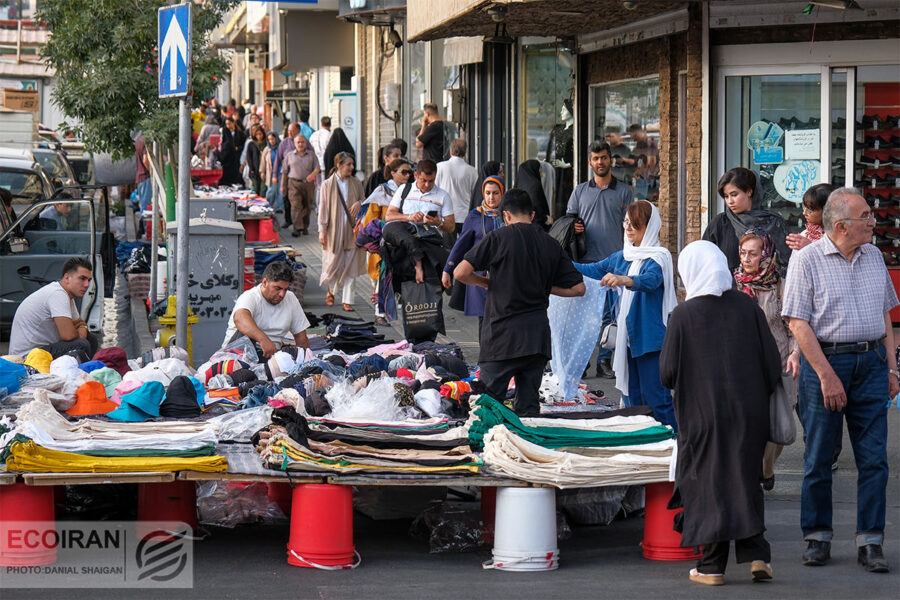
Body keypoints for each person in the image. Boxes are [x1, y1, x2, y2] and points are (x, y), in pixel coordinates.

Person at [782, 188, 896, 573]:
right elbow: (797, 322)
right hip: (824, 364)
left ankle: (871, 541)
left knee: (874, 459)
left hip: (872, 363)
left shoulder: (874, 256)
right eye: (867, 215)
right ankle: (817, 536)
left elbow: (885, 316)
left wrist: (893, 368)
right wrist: (827, 376)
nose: (873, 220)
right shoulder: (807, 260)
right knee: (818, 457)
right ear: (843, 226)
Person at [660, 240, 780, 586]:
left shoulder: (683, 315)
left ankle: (712, 567)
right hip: (749, 412)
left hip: (703, 414)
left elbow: (667, 372)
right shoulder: (747, 307)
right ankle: (758, 555)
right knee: (745, 478)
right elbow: (772, 364)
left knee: (709, 482)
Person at [454, 188, 585, 416]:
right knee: (528, 408)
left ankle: (489, 449)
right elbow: (578, 288)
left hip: (501, 337)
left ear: (505, 215)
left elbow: (460, 273)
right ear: (533, 215)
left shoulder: (497, 238)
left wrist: (485, 282)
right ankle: (527, 450)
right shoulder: (550, 244)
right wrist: (543, 286)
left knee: (489, 408)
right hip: (536, 339)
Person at [574, 200, 677, 428]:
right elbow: (592, 270)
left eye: (635, 224)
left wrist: (625, 280)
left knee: (658, 400)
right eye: (626, 223)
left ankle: (676, 446)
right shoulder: (622, 256)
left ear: (649, 227)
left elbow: (651, 281)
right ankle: (642, 443)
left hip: (650, 341)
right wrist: (555, 261)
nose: (628, 228)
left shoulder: (659, 257)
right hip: (627, 341)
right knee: (633, 399)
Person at [734, 229, 800, 490]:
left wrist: (796, 353)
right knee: (749, 421)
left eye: (753, 253)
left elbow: (794, 326)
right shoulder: (733, 284)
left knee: (779, 423)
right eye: (743, 253)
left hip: (779, 360)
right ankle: (752, 473)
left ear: (767, 254)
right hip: (744, 363)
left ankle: (766, 468)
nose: (746, 259)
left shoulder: (780, 285)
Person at [568, 140, 634, 379]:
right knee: (585, 316)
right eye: (595, 158)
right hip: (585, 262)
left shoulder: (625, 191)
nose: (600, 162)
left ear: (610, 160)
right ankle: (583, 361)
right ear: (590, 162)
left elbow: (633, 225)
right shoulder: (580, 191)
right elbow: (568, 220)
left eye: (604, 157)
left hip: (614, 262)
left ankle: (604, 362)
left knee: (609, 315)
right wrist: (572, 227)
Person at [442, 176, 504, 338]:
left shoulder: (507, 215)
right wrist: (448, 269)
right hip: (480, 276)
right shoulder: (475, 216)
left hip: (503, 273)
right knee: (484, 320)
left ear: (502, 194)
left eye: (496, 193)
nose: (491, 197)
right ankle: (485, 360)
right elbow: (461, 244)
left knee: (502, 319)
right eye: (488, 193)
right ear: (482, 193)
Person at [703, 167, 791, 274]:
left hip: (768, 289)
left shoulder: (773, 222)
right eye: (726, 196)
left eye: (734, 194)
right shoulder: (720, 223)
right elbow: (704, 260)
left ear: (749, 191)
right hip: (729, 288)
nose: (730, 201)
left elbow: (786, 263)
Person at [9, 257, 99, 358]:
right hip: (27, 357)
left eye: (89, 280)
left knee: (91, 339)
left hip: (41, 350)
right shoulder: (57, 294)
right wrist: (82, 329)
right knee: (81, 344)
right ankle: (78, 372)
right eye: (82, 278)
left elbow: (79, 323)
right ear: (67, 278)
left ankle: (82, 370)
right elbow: (69, 335)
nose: (87, 285)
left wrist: (82, 328)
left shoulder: (67, 295)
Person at [360, 158, 412, 325]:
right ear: (393, 173)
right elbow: (370, 221)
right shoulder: (382, 192)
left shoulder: (410, 191)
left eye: (409, 172)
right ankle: (380, 313)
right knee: (384, 277)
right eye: (404, 172)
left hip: (403, 241)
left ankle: (397, 310)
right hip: (385, 241)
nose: (407, 175)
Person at [222, 262, 310, 359]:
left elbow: (300, 336)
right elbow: (240, 318)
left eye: (285, 289)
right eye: (278, 288)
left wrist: (305, 360)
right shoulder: (250, 297)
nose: (282, 294)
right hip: (238, 356)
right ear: (264, 283)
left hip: (272, 356)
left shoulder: (290, 298)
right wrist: (263, 339)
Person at [318, 152, 365, 311]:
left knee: (351, 265)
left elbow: (365, 202)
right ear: (339, 165)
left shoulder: (356, 183)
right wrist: (322, 230)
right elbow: (322, 208)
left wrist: (359, 202)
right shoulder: (327, 184)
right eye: (348, 164)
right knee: (333, 263)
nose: (352, 167)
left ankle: (348, 300)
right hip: (334, 231)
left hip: (352, 230)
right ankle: (331, 290)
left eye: (352, 164)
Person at [435, 138, 478, 238]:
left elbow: (434, 190)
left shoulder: (440, 167)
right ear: (465, 152)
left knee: (449, 249)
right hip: (464, 215)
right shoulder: (472, 171)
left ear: (450, 150)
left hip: (446, 215)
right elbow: (475, 194)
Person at [281, 134, 320, 237]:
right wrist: (282, 186)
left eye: (302, 142)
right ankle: (297, 228)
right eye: (298, 142)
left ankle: (305, 226)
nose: (300, 144)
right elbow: (284, 172)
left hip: (308, 184)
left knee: (307, 206)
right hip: (294, 183)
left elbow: (317, 168)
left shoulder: (312, 155)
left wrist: (312, 175)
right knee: (296, 205)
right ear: (294, 144)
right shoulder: (289, 156)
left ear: (306, 143)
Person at [786, 183, 832, 252]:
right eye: (804, 207)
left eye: (810, 210)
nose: (804, 213)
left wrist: (810, 247)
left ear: (827, 210)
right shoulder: (806, 234)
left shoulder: (840, 236)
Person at [274, 122, 300, 228]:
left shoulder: (304, 142)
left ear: (298, 131)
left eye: (292, 131)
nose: (289, 133)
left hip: (300, 177)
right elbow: (278, 160)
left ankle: (300, 223)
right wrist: (274, 175)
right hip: (286, 176)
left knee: (299, 201)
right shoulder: (284, 143)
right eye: (288, 131)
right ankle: (288, 220)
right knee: (286, 199)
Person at [515, 159, 551, 230]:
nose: (541, 174)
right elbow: (537, 209)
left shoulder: (518, 185)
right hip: (536, 227)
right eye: (539, 170)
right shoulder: (535, 186)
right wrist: (547, 219)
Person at [218, 117, 245, 186]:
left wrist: (238, 148)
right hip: (227, 156)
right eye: (226, 124)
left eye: (229, 123)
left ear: (233, 123)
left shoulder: (239, 133)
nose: (228, 126)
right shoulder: (225, 131)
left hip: (236, 157)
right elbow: (223, 143)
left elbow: (243, 144)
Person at [245, 125, 267, 197]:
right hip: (255, 170)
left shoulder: (266, 144)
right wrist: (251, 168)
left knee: (263, 189)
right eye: (257, 134)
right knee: (256, 189)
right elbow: (249, 157)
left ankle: (262, 204)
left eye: (260, 134)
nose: (259, 136)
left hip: (264, 170)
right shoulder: (251, 144)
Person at [263, 131, 282, 213]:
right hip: (270, 172)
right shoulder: (267, 149)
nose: (271, 141)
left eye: (273, 139)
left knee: (280, 191)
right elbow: (263, 161)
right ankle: (268, 205)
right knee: (271, 190)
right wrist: (262, 172)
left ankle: (279, 207)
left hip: (280, 172)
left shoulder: (281, 147)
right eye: (269, 139)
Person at [134, 132, 152, 212]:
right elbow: (145, 160)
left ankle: (143, 224)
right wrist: (151, 171)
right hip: (146, 177)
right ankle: (144, 224)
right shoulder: (146, 142)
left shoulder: (138, 141)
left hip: (139, 177)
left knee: (142, 204)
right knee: (146, 205)